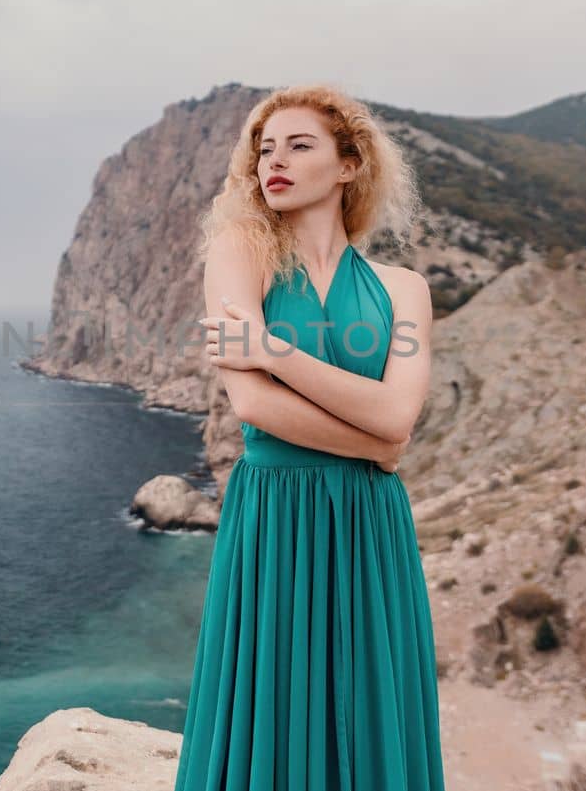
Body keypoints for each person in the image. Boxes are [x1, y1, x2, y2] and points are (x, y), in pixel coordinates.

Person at [175, 84, 446, 790]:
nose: (276, 161)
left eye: (300, 145)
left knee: (367, 699)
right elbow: (255, 407)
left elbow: (398, 419)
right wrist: (376, 443)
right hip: (276, 513)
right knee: (274, 698)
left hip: (370, 524)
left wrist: (271, 347)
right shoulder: (240, 251)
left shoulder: (404, 289)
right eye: (265, 149)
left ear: (350, 163)